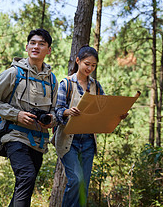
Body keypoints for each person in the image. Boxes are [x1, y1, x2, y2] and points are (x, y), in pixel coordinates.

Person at [0, 28, 57, 207]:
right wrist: (16, 114)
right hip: (14, 136)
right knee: (27, 177)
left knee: (25, 185)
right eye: (32, 43)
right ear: (26, 47)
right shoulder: (14, 73)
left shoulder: (52, 80)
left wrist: (50, 120)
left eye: (41, 44)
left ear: (48, 50)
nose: (36, 47)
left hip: (38, 142)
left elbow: (55, 111)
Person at [54, 45, 127, 207]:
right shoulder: (66, 84)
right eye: (87, 64)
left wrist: (118, 115)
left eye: (93, 66)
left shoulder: (96, 86)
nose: (90, 68)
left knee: (83, 187)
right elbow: (57, 112)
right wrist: (67, 112)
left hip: (88, 141)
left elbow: (103, 110)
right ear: (78, 61)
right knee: (76, 179)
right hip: (69, 141)